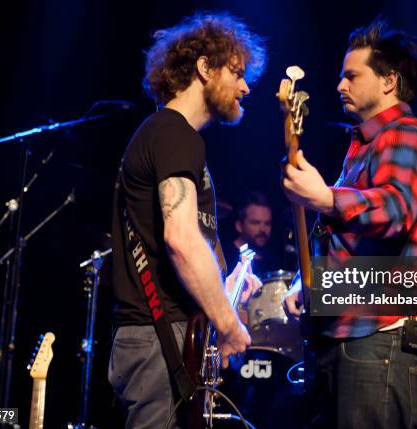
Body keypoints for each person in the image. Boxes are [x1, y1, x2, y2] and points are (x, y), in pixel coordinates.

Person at [282, 17, 417, 428]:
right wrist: (310, 284)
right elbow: (343, 238)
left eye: (352, 76)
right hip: (353, 337)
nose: (340, 85)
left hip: (382, 337)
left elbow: (393, 211)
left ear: (389, 81)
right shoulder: (364, 147)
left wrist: (324, 196)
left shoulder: (409, 136)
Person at [108, 12, 266, 428]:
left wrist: (224, 285)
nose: (245, 86)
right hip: (158, 342)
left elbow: (179, 241)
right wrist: (229, 325)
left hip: (162, 341)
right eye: (236, 72)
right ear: (204, 67)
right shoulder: (174, 134)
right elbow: (180, 239)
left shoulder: (170, 137)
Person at [223, 191, 277, 276]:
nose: (263, 229)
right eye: (255, 223)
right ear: (239, 226)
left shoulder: (274, 260)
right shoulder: (224, 257)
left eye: (267, 223)